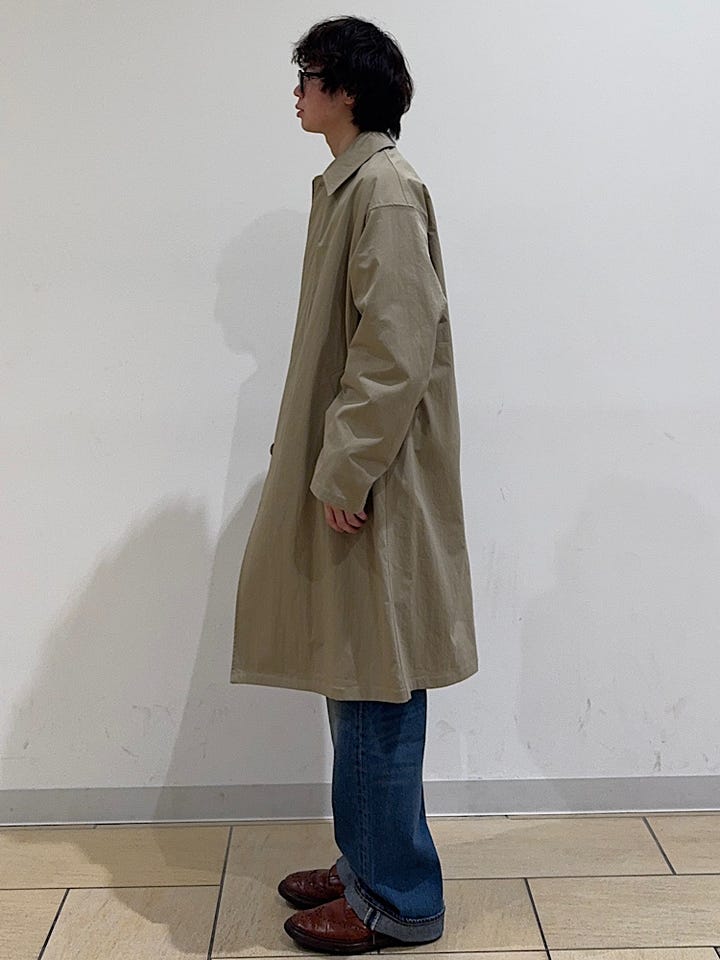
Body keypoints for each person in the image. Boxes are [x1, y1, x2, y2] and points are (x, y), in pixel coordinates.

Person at [231, 14, 479, 953]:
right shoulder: (352, 185)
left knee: (376, 682)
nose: (296, 91)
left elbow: (395, 348)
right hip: (362, 474)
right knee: (354, 671)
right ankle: (365, 858)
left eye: (308, 75)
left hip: (378, 482)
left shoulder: (382, 190)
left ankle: (398, 899)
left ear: (346, 89)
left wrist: (346, 469)